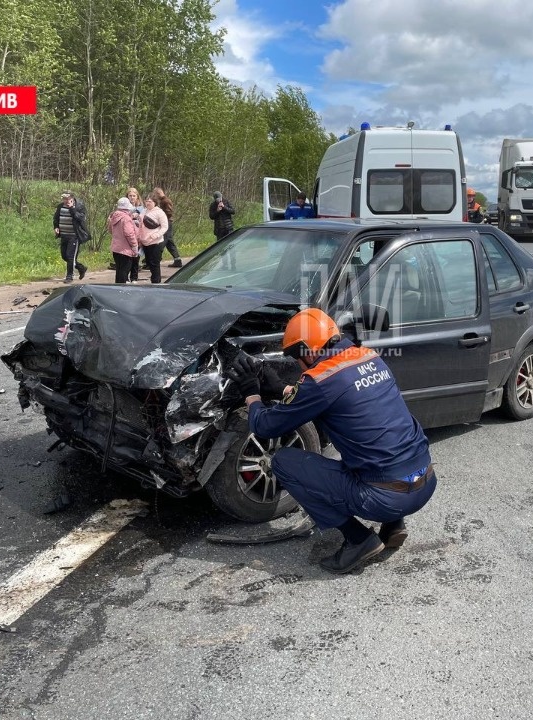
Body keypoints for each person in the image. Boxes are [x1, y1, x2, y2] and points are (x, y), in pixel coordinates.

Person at [226, 308, 437, 574]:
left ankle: (359, 539)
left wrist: (251, 394)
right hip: (425, 482)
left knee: (283, 462)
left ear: (308, 351)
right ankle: (394, 525)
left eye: (295, 356)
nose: (296, 364)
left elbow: (265, 426)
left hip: (385, 498)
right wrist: (283, 389)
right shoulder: (369, 357)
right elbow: (340, 396)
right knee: (378, 444)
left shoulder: (320, 379)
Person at [53, 190, 89, 283]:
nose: (65, 200)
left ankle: (69, 276)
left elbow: (81, 219)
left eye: (67, 198)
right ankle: (81, 268)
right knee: (64, 256)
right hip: (64, 235)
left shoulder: (79, 206)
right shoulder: (60, 206)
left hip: (74, 236)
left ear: (72, 198)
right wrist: (56, 227)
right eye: (64, 198)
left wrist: (72, 209)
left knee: (70, 256)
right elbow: (56, 218)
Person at [107, 197, 139, 284]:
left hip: (116, 248)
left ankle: (117, 288)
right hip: (125, 249)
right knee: (124, 272)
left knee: (119, 271)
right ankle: (121, 291)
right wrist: (134, 246)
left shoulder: (114, 216)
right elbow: (129, 234)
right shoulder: (126, 218)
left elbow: (110, 230)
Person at [139, 192, 169, 283]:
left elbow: (165, 227)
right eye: (147, 201)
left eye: (150, 201)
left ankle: (156, 283)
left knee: (155, 263)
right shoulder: (144, 211)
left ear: (155, 202)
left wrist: (156, 235)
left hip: (156, 242)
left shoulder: (160, 213)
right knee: (148, 263)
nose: (148, 203)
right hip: (145, 241)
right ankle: (154, 280)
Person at [152, 187, 182, 267]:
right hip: (166, 222)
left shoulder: (166, 201)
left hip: (167, 223)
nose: (155, 197)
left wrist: (160, 215)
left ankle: (155, 259)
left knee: (162, 240)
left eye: (155, 195)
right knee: (169, 242)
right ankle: (177, 260)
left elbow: (169, 212)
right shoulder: (162, 201)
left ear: (158, 193)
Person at [126, 187, 145, 283]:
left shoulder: (141, 208)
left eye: (134, 196)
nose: (132, 198)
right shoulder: (125, 207)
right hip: (127, 236)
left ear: (137, 197)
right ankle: (125, 277)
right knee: (127, 257)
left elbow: (144, 221)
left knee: (136, 257)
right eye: (130, 196)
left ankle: (134, 277)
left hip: (137, 236)